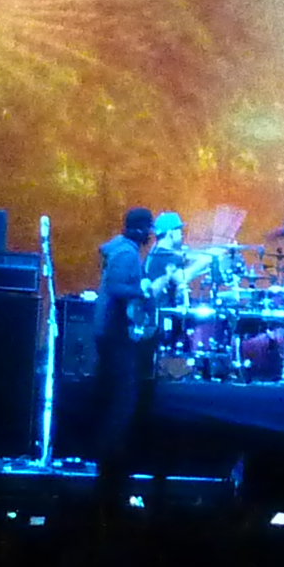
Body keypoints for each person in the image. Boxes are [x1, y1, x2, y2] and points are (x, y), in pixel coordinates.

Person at [94, 207, 175, 499]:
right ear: (140, 230)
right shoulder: (127, 254)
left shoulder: (122, 249)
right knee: (123, 399)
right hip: (116, 337)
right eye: (148, 230)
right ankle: (112, 461)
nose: (150, 235)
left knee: (118, 397)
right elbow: (117, 286)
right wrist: (142, 290)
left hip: (111, 334)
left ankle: (111, 459)